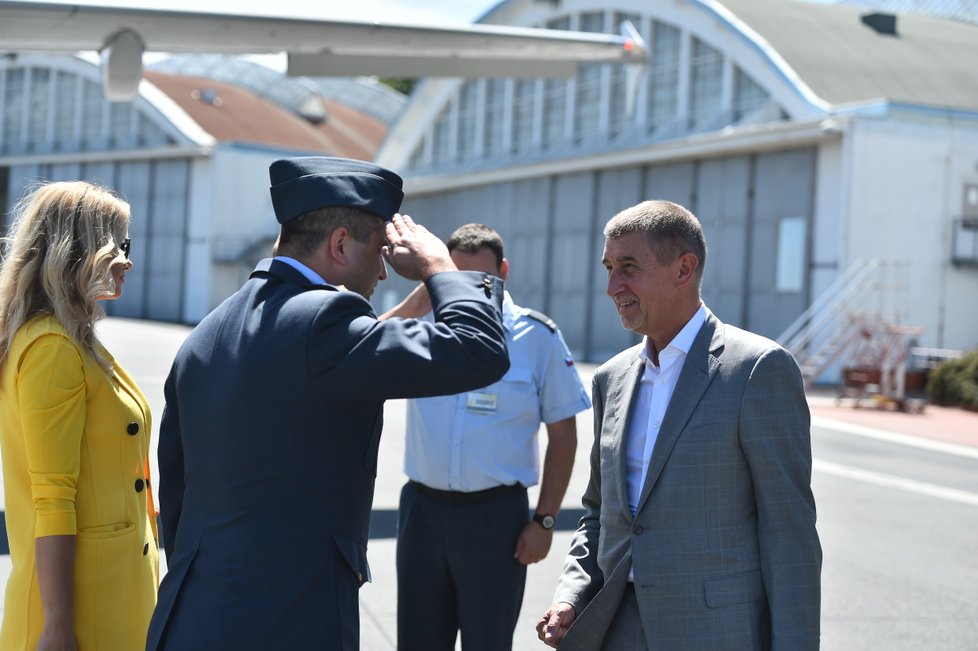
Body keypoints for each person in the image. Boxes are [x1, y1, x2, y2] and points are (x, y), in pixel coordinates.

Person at [146, 157, 510, 651]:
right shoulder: (327, 321)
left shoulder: (207, 332)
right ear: (340, 244)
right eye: (380, 251)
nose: (384, 271)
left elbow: (179, 493)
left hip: (190, 616)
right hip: (287, 619)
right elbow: (479, 351)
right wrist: (440, 270)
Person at [537, 200, 821, 650]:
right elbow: (599, 511)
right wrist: (572, 594)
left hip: (715, 634)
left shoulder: (757, 370)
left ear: (684, 269)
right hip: (616, 627)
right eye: (609, 267)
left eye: (628, 267)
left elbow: (789, 532)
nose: (613, 285)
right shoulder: (611, 378)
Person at [380, 223, 591, 651]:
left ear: (504, 272)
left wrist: (545, 520)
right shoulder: (424, 328)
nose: (468, 290)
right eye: (454, 277)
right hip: (424, 512)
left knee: (488, 642)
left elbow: (564, 436)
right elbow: (359, 349)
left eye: (481, 279)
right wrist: (420, 298)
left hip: (496, 521)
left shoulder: (536, 338)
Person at [0, 181, 158, 650]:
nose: (128, 261)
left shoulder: (68, 337)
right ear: (77, 251)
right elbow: (53, 500)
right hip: (82, 610)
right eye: (118, 245)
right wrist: (57, 627)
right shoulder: (52, 348)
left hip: (108, 595)